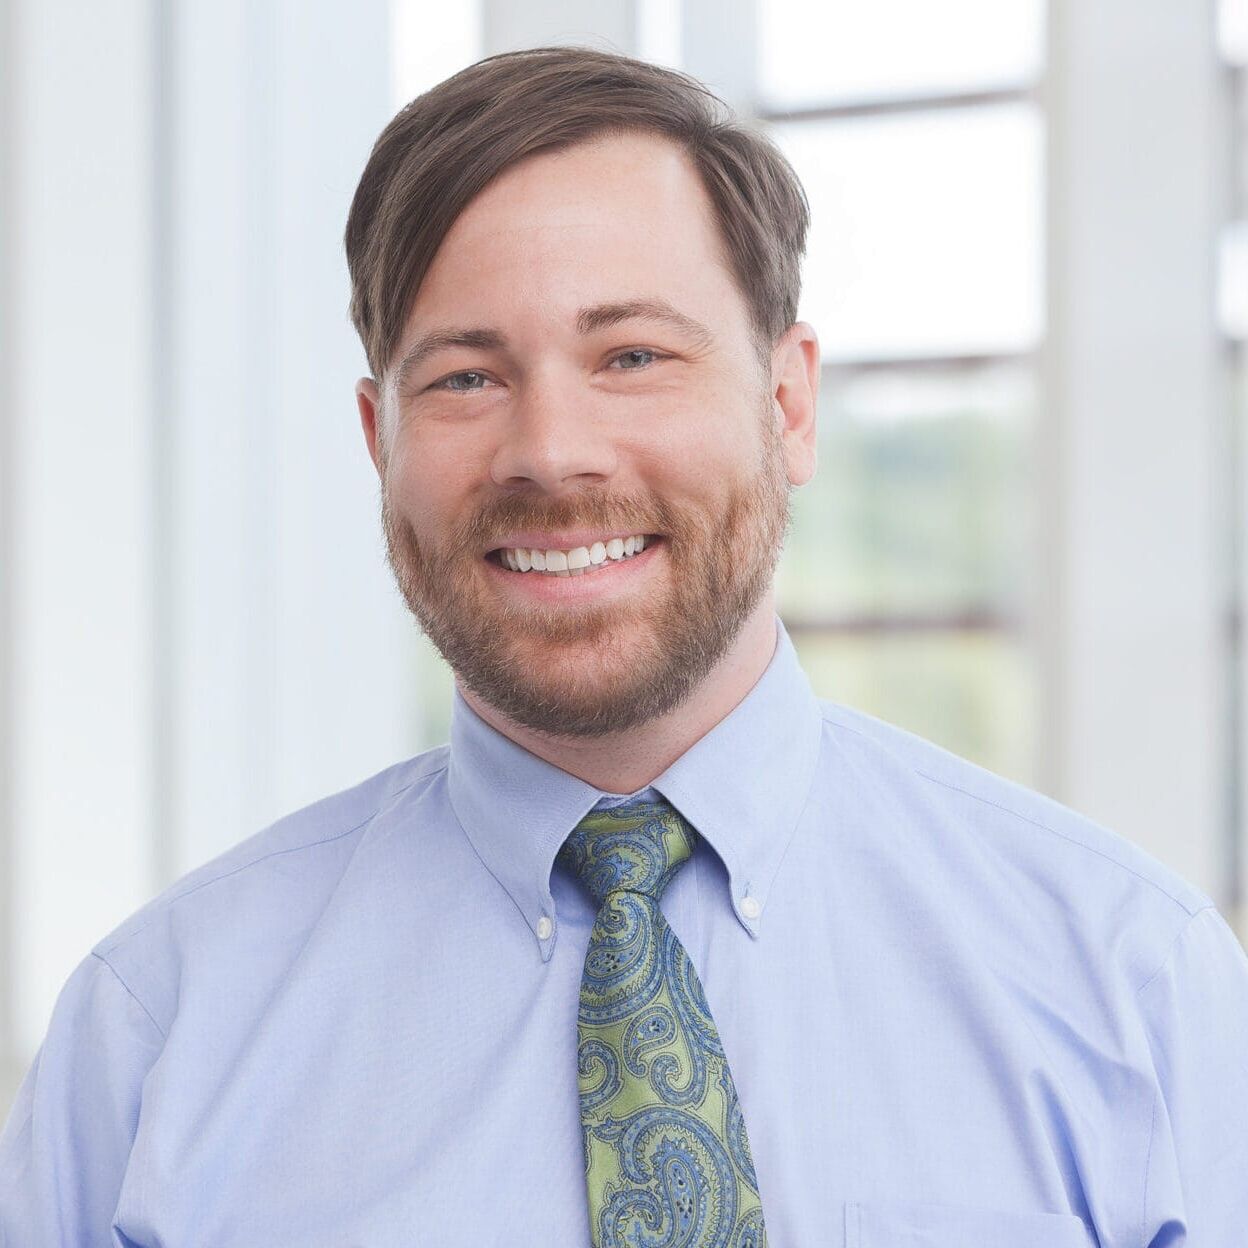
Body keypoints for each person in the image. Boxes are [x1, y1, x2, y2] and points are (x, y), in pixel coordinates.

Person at [2, 43, 1247, 1248]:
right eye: (466, 380)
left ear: (789, 403)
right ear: (378, 440)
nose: (552, 451)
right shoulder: (156, 1039)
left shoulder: (1134, 986)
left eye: (634, 356)